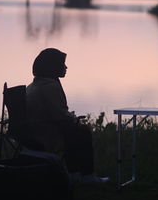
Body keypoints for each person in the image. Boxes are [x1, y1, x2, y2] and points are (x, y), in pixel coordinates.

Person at [26, 48, 109, 183]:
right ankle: (86, 175)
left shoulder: (35, 84)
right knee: (82, 131)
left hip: (31, 133)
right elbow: (59, 115)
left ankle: (74, 173)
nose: (65, 67)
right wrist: (73, 119)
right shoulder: (50, 86)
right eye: (62, 64)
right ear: (52, 67)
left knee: (74, 129)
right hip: (44, 134)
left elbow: (54, 112)